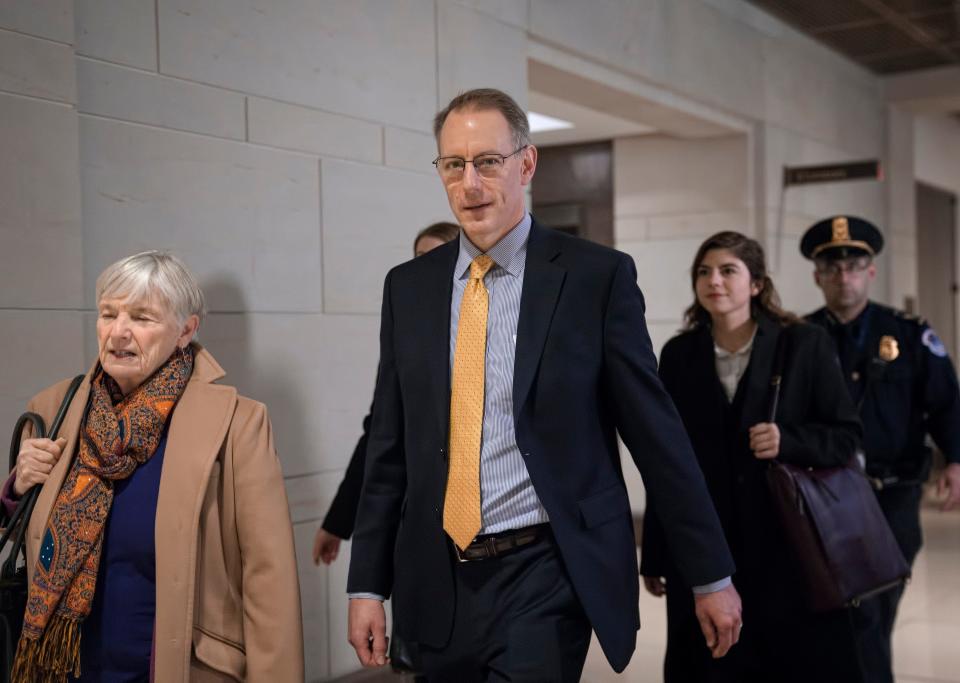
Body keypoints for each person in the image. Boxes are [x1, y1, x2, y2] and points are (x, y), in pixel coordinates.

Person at [346, 87, 741, 681]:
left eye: (488, 162)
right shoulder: (409, 288)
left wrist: (710, 574)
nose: (470, 183)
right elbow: (389, 450)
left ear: (526, 164)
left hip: (544, 569)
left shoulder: (594, 278)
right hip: (437, 573)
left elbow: (658, 438)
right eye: (453, 165)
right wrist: (366, 585)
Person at [3, 251, 303, 682]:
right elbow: (22, 539)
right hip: (67, 668)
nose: (118, 332)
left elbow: (268, 579)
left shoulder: (237, 422)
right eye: (108, 314)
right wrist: (17, 489)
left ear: (186, 330)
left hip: (173, 667)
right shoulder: (55, 409)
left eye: (142, 318)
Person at [640, 231, 864, 682]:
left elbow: (845, 436)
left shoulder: (804, 344)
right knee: (708, 661)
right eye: (703, 272)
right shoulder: (679, 354)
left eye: (728, 271)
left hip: (787, 546)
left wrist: (790, 440)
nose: (713, 281)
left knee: (788, 661)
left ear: (757, 284)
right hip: (706, 548)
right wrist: (657, 553)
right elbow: (666, 462)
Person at [801, 215, 960, 683]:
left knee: (873, 606)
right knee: (844, 612)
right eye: (831, 268)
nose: (843, 276)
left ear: (871, 271)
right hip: (825, 495)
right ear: (817, 276)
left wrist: (955, 460)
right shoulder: (799, 336)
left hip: (892, 493)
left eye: (853, 266)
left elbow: (946, 402)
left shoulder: (908, 333)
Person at [313, 222, 461, 566]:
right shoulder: (406, 338)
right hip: (422, 521)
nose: (424, 269)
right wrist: (339, 521)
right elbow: (380, 434)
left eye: (435, 257)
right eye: (418, 259)